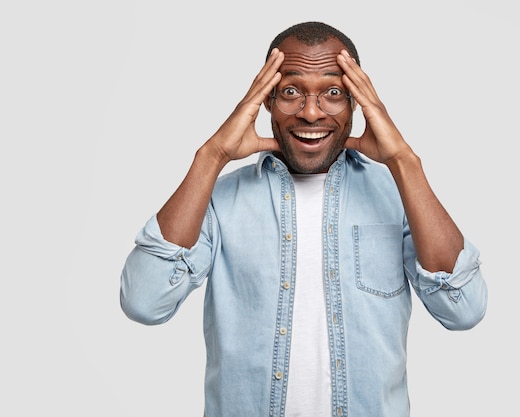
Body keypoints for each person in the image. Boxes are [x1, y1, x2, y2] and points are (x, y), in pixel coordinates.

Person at [120, 21, 488, 417]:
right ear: (264, 101)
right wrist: (210, 157)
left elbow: (463, 309)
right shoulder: (218, 200)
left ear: (356, 104)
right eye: (291, 92)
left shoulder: (399, 196)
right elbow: (144, 301)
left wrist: (405, 162)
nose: (310, 112)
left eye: (333, 93)